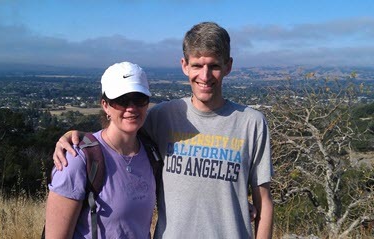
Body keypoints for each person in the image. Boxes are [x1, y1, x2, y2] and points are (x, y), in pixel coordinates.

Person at [54, 22, 274, 238]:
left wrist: (232, 204)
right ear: (184, 65)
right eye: (197, 65)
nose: (205, 76)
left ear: (228, 66)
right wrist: (76, 137)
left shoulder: (251, 123)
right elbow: (118, 134)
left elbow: (264, 201)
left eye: (214, 66)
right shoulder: (163, 116)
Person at [45, 62, 158, 238]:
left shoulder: (151, 153)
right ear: (105, 105)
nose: (131, 108)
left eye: (139, 99)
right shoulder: (78, 159)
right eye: (121, 100)